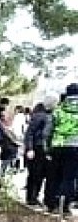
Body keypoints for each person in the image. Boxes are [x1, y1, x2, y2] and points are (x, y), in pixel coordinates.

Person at [49, 83, 78, 215]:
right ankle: (65, 206)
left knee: (55, 175)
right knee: (69, 178)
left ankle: (53, 204)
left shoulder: (58, 110)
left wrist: (47, 147)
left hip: (58, 146)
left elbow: (49, 130)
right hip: (75, 147)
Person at [24, 96, 56, 207]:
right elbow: (30, 133)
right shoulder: (40, 117)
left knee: (40, 175)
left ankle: (33, 197)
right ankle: (31, 198)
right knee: (36, 174)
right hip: (38, 148)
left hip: (43, 148)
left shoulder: (48, 116)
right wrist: (30, 148)